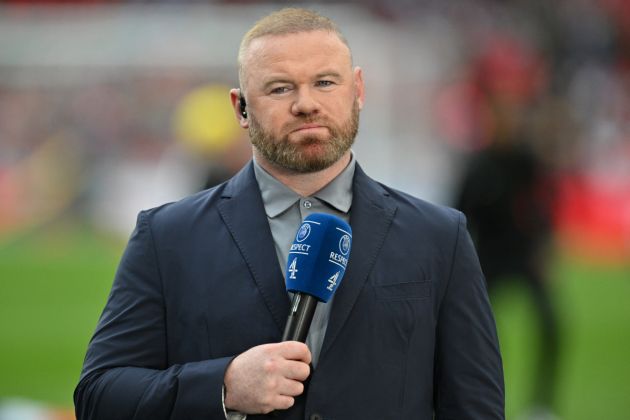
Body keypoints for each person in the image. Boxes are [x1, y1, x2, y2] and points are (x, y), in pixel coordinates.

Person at [74, 8, 504, 420]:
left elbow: (476, 408)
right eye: (280, 88)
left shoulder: (439, 237)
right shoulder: (167, 236)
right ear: (240, 108)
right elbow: (99, 396)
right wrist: (223, 386)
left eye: (325, 82)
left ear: (357, 91)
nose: (306, 104)